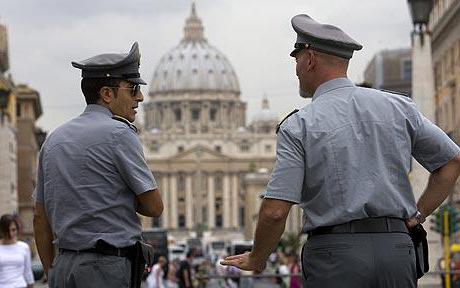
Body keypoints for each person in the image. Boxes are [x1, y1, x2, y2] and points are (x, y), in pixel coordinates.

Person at [221, 13, 460, 288]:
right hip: (397, 250)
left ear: (309, 59)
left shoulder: (299, 125)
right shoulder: (399, 107)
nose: (296, 68)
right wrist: (418, 215)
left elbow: (275, 211)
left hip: (335, 256)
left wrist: (257, 257)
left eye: (296, 59)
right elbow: (452, 161)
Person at [32, 42, 163, 288]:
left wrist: (51, 272)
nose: (140, 97)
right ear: (107, 94)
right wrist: (113, 195)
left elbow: (40, 216)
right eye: (133, 88)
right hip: (106, 268)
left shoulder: (53, 140)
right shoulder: (120, 134)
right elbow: (154, 207)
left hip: (63, 267)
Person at [0, 214, 34, 288]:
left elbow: (28, 272)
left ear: (17, 229)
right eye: (7, 230)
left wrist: (31, 285)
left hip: (20, 285)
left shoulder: (24, 247)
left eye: (13, 230)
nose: (10, 234)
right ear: (1, 230)